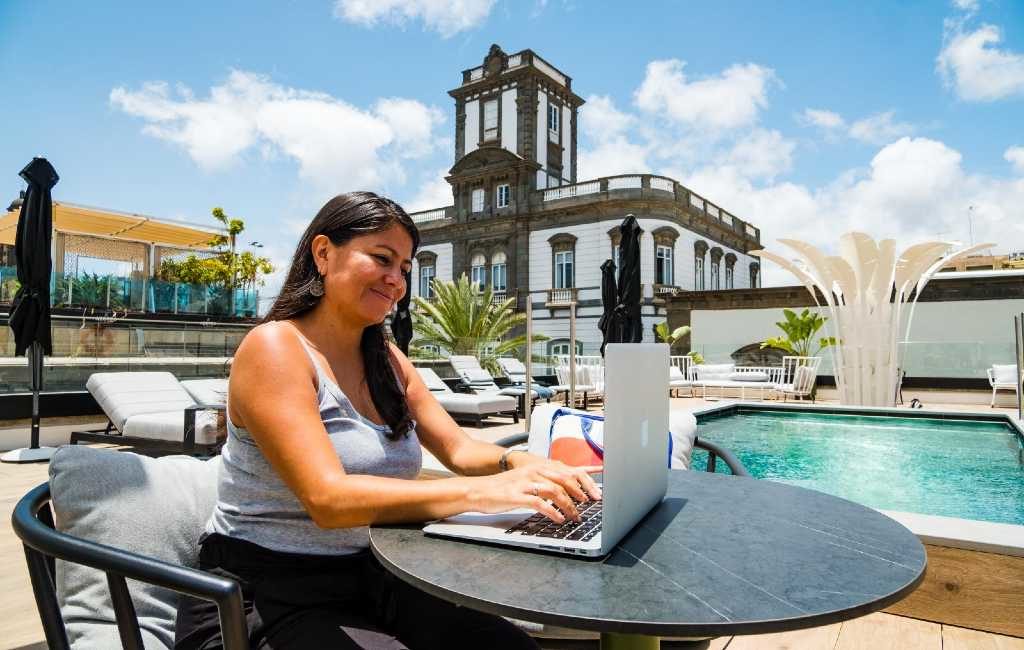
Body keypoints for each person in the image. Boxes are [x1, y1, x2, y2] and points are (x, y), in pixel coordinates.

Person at [175, 192, 601, 649]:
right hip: (263, 595)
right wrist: (481, 494)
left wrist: (517, 466)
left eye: (404, 269)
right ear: (323, 253)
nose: (396, 280)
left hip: (373, 575)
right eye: (382, 258)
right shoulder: (276, 348)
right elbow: (328, 499)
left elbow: (458, 449)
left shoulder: (388, 360)